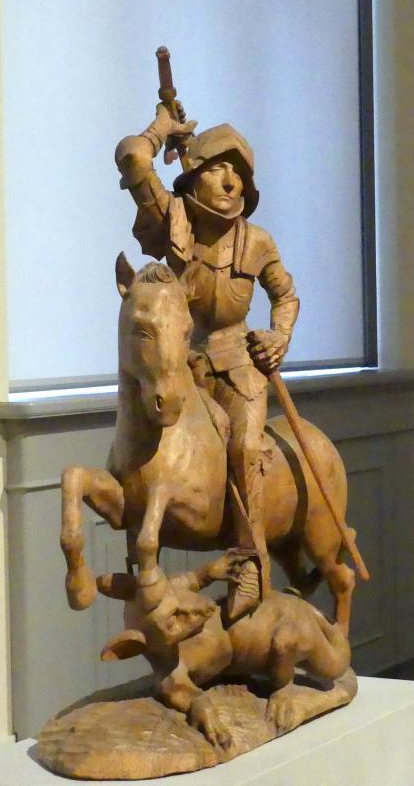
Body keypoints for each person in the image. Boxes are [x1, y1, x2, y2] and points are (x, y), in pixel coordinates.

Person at [115, 104, 300, 613]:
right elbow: (132, 157)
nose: (230, 181)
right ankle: (143, 564)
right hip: (182, 368)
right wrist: (162, 129)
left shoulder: (257, 242)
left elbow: (285, 295)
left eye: (238, 174)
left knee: (245, 445)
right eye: (218, 168)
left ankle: (250, 564)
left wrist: (279, 336)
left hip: (239, 368)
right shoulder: (171, 223)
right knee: (145, 446)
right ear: (194, 176)